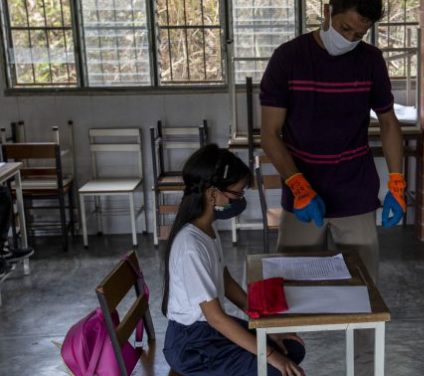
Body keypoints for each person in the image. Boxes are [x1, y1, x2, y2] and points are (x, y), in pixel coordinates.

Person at [260, 0, 406, 282]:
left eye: (359, 35)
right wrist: (299, 187)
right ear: (327, 11)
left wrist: (397, 183)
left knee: (364, 289)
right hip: (303, 193)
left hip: (355, 192)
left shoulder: (370, 61)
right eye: (345, 28)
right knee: (291, 285)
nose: (349, 39)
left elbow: (388, 122)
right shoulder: (289, 58)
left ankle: (362, 328)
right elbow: (269, 134)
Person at [162, 145, 305, 376]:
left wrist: (265, 326)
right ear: (212, 194)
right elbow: (216, 318)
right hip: (192, 345)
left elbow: (224, 280)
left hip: (206, 333)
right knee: (276, 367)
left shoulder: (206, 228)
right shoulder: (191, 245)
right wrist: (270, 355)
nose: (239, 200)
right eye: (237, 193)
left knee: (291, 349)